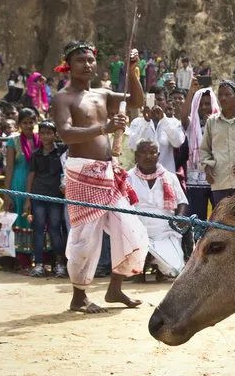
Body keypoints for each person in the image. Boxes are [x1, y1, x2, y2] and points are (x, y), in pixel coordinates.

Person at [52, 41, 148, 313]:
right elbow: (66, 134)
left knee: (130, 229)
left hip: (109, 172)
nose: (87, 64)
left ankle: (115, 289)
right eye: (81, 60)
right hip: (82, 172)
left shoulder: (104, 94)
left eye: (91, 60)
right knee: (85, 237)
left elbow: (137, 102)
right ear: (68, 64)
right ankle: (78, 296)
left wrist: (132, 72)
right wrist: (104, 128)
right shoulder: (63, 97)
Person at [128, 139, 188, 279]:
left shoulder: (170, 177)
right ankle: (140, 265)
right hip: (136, 232)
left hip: (164, 231)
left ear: (158, 155)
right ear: (136, 155)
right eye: (143, 153)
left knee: (174, 270)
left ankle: (158, 264)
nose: (148, 156)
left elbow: (182, 203)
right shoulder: (127, 178)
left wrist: (179, 217)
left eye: (152, 152)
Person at [24, 120, 68, 278]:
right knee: (39, 228)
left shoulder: (62, 150)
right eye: (42, 133)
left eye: (49, 133)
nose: (45, 136)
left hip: (56, 197)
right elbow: (31, 176)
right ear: (39, 134)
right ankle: (39, 264)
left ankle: (59, 264)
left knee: (56, 229)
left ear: (55, 134)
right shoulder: (36, 154)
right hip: (38, 195)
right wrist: (28, 198)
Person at [3, 107, 40, 270]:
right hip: (18, 183)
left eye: (31, 122)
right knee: (21, 219)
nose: (28, 125)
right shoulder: (13, 141)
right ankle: (24, 263)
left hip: (39, 183)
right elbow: (9, 168)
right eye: (24, 122)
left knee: (38, 220)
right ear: (19, 124)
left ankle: (40, 260)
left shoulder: (42, 138)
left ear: (35, 122)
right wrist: (7, 194)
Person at [181, 79, 219, 220]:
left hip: (216, 180)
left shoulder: (220, 123)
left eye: (207, 104)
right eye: (200, 104)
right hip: (195, 181)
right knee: (198, 222)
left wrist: (212, 126)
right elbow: (183, 118)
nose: (203, 107)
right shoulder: (192, 124)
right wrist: (191, 92)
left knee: (218, 220)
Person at [129, 86, 185, 173]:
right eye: (152, 99)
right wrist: (146, 122)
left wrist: (163, 120)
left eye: (159, 99)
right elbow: (133, 145)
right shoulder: (137, 122)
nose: (156, 102)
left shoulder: (173, 122)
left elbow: (177, 142)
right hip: (142, 176)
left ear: (166, 102)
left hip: (166, 176)